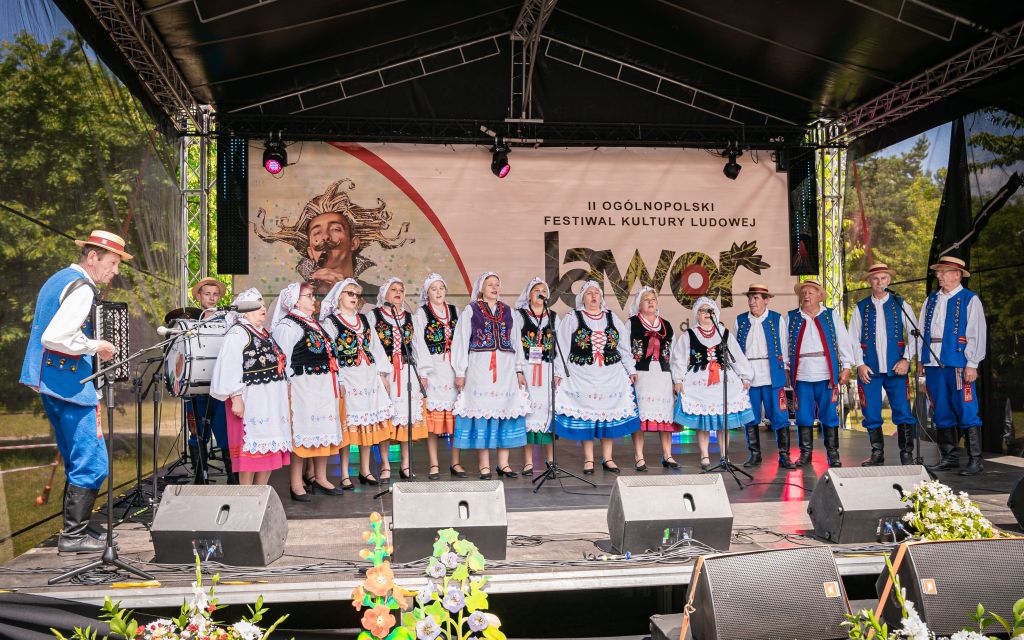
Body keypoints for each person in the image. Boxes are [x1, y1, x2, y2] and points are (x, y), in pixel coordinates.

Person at [19, 230, 130, 553]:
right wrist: (97, 345)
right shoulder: (82, 288)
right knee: (93, 462)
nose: (115, 271)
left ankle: (76, 530)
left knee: (76, 459)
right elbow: (54, 337)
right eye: (112, 263)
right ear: (92, 256)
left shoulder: (58, 279)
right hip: (71, 386)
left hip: (52, 383)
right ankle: (73, 536)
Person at [254, 179, 411, 295]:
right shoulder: (295, 296)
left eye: (335, 229)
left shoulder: (377, 296)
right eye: (317, 232)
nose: (325, 237)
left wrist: (346, 291)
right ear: (310, 251)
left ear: (354, 243)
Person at [553, 280, 639, 474]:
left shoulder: (612, 317)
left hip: (610, 375)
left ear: (601, 297)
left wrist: (630, 370)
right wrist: (558, 372)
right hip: (581, 375)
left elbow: (624, 347)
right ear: (582, 298)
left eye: (596, 293)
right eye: (589, 293)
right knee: (587, 417)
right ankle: (589, 459)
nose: (593, 296)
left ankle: (608, 458)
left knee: (608, 416)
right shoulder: (573, 317)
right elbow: (563, 347)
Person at [452, 272, 531, 479]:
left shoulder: (508, 311)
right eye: (490, 285)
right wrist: (460, 372)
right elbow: (460, 341)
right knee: (483, 414)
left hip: (505, 370)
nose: (495, 288)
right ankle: (484, 465)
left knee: (505, 411)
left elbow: (516, 342)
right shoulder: (471, 310)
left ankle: (503, 464)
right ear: (481, 288)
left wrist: (519, 370)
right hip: (480, 369)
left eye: (497, 284)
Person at [209, 288, 291, 485]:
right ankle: (247, 494)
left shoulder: (264, 333)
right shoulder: (238, 332)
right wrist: (236, 397)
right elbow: (229, 365)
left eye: (263, 304)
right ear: (244, 311)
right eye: (257, 305)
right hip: (251, 401)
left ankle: (261, 492)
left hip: (270, 402)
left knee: (269, 451)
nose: (263, 308)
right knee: (249, 456)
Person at [271, 282, 345, 500]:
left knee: (322, 431)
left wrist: (339, 379)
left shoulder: (315, 324)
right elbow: (282, 360)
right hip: (303, 387)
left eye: (313, 295)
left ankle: (320, 477)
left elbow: (331, 355)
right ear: (296, 301)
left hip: (323, 386)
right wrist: (287, 388)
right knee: (302, 434)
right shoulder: (288, 326)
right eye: (309, 296)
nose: (314, 299)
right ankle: (296, 483)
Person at [320, 279, 395, 487]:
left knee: (367, 424)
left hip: (368, 376)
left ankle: (365, 469)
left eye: (356, 294)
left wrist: (381, 374)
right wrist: (338, 379)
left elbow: (375, 347)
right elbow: (330, 354)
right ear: (339, 297)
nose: (354, 297)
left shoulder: (363, 319)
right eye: (350, 293)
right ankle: (344, 473)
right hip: (348, 377)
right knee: (348, 425)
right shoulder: (331, 322)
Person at [918, 256, 987, 476]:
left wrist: (972, 363)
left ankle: (975, 459)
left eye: (943, 272)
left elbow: (977, 333)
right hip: (932, 360)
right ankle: (949, 457)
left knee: (966, 407)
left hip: (958, 362)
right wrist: (921, 359)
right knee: (941, 408)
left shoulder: (969, 299)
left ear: (957, 275)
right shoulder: (931, 300)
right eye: (938, 272)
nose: (939, 276)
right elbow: (921, 329)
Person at [671, 296, 755, 470]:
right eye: (702, 310)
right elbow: (679, 358)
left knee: (723, 421)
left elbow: (737, 356)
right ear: (697, 314)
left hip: (723, 382)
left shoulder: (724, 333)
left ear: (715, 313)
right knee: (703, 421)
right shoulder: (689, 335)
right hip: (699, 383)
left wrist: (745, 376)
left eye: (709, 310)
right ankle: (705, 455)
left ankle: (725, 455)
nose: (706, 314)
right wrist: (678, 380)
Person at [848, 264, 918, 466]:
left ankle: (907, 454)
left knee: (903, 410)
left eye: (883, 278)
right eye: (875, 278)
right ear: (870, 281)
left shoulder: (900, 304)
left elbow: (914, 334)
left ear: (889, 280)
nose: (880, 282)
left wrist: (906, 359)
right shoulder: (861, 307)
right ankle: (877, 454)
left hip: (897, 368)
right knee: (870, 411)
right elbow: (853, 339)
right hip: (870, 369)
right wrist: (859, 364)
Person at [787, 279, 855, 467]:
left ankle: (833, 454)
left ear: (819, 296)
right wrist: (786, 367)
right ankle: (805, 454)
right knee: (803, 414)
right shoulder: (792, 317)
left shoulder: (831, 316)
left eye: (810, 292)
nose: (806, 295)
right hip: (801, 374)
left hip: (826, 374)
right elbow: (785, 345)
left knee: (829, 413)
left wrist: (846, 366)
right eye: (804, 292)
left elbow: (844, 342)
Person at [372, 277, 428, 480]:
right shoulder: (374, 316)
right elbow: (372, 345)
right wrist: (381, 373)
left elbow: (418, 345)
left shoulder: (410, 318)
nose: (398, 293)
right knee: (386, 418)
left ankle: (406, 464)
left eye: (401, 290)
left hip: (407, 372)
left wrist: (422, 373)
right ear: (385, 294)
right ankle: (385, 464)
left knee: (407, 418)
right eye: (393, 289)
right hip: (385, 374)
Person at [734, 284, 795, 469]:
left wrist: (785, 370)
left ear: (766, 300)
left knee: (779, 415)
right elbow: (735, 351)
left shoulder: (776, 319)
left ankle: (784, 455)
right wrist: (739, 375)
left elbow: (784, 346)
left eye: (756, 298)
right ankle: (755, 455)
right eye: (750, 298)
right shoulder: (740, 320)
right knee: (750, 417)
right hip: (749, 376)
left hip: (771, 374)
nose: (752, 301)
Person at [412, 273, 463, 480]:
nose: (438, 292)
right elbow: (418, 343)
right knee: (433, 422)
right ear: (427, 293)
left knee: (455, 420)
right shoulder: (422, 313)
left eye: (441, 288)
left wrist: (462, 371)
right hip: (433, 369)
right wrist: (423, 373)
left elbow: (462, 342)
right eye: (433, 289)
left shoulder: (455, 311)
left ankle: (455, 462)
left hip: (452, 369)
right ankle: (434, 464)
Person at [185, 276, 231, 482]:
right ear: (199, 296)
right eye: (207, 294)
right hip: (196, 388)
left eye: (215, 294)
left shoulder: (227, 321)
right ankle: (199, 479)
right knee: (197, 433)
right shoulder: (189, 322)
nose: (211, 298)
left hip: (219, 386)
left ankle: (233, 480)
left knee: (224, 432)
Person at [628, 286, 678, 471]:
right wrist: (629, 371)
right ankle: (639, 456)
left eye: (653, 299)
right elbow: (624, 349)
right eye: (646, 299)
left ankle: (668, 454)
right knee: (640, 415)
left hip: (662, 375)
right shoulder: (631, 323)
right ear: (638, 304)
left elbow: (674, 354)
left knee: (665, 416)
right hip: (641, 375)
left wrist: (676, 378)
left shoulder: (666, 325)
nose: (650, 302)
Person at [514, 277, 558, 475]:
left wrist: (558, 372)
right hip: (528, 371)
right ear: (529, 295)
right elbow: (515, 345)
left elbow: (560, 347)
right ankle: (528, 462)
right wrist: (518, 370)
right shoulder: (519, 316)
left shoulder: (554, 317)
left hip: (547, 369)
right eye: (536, 290)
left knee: (547, 414)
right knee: (529, 414)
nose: (541, 293)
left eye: (544, 290)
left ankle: (551, 461)